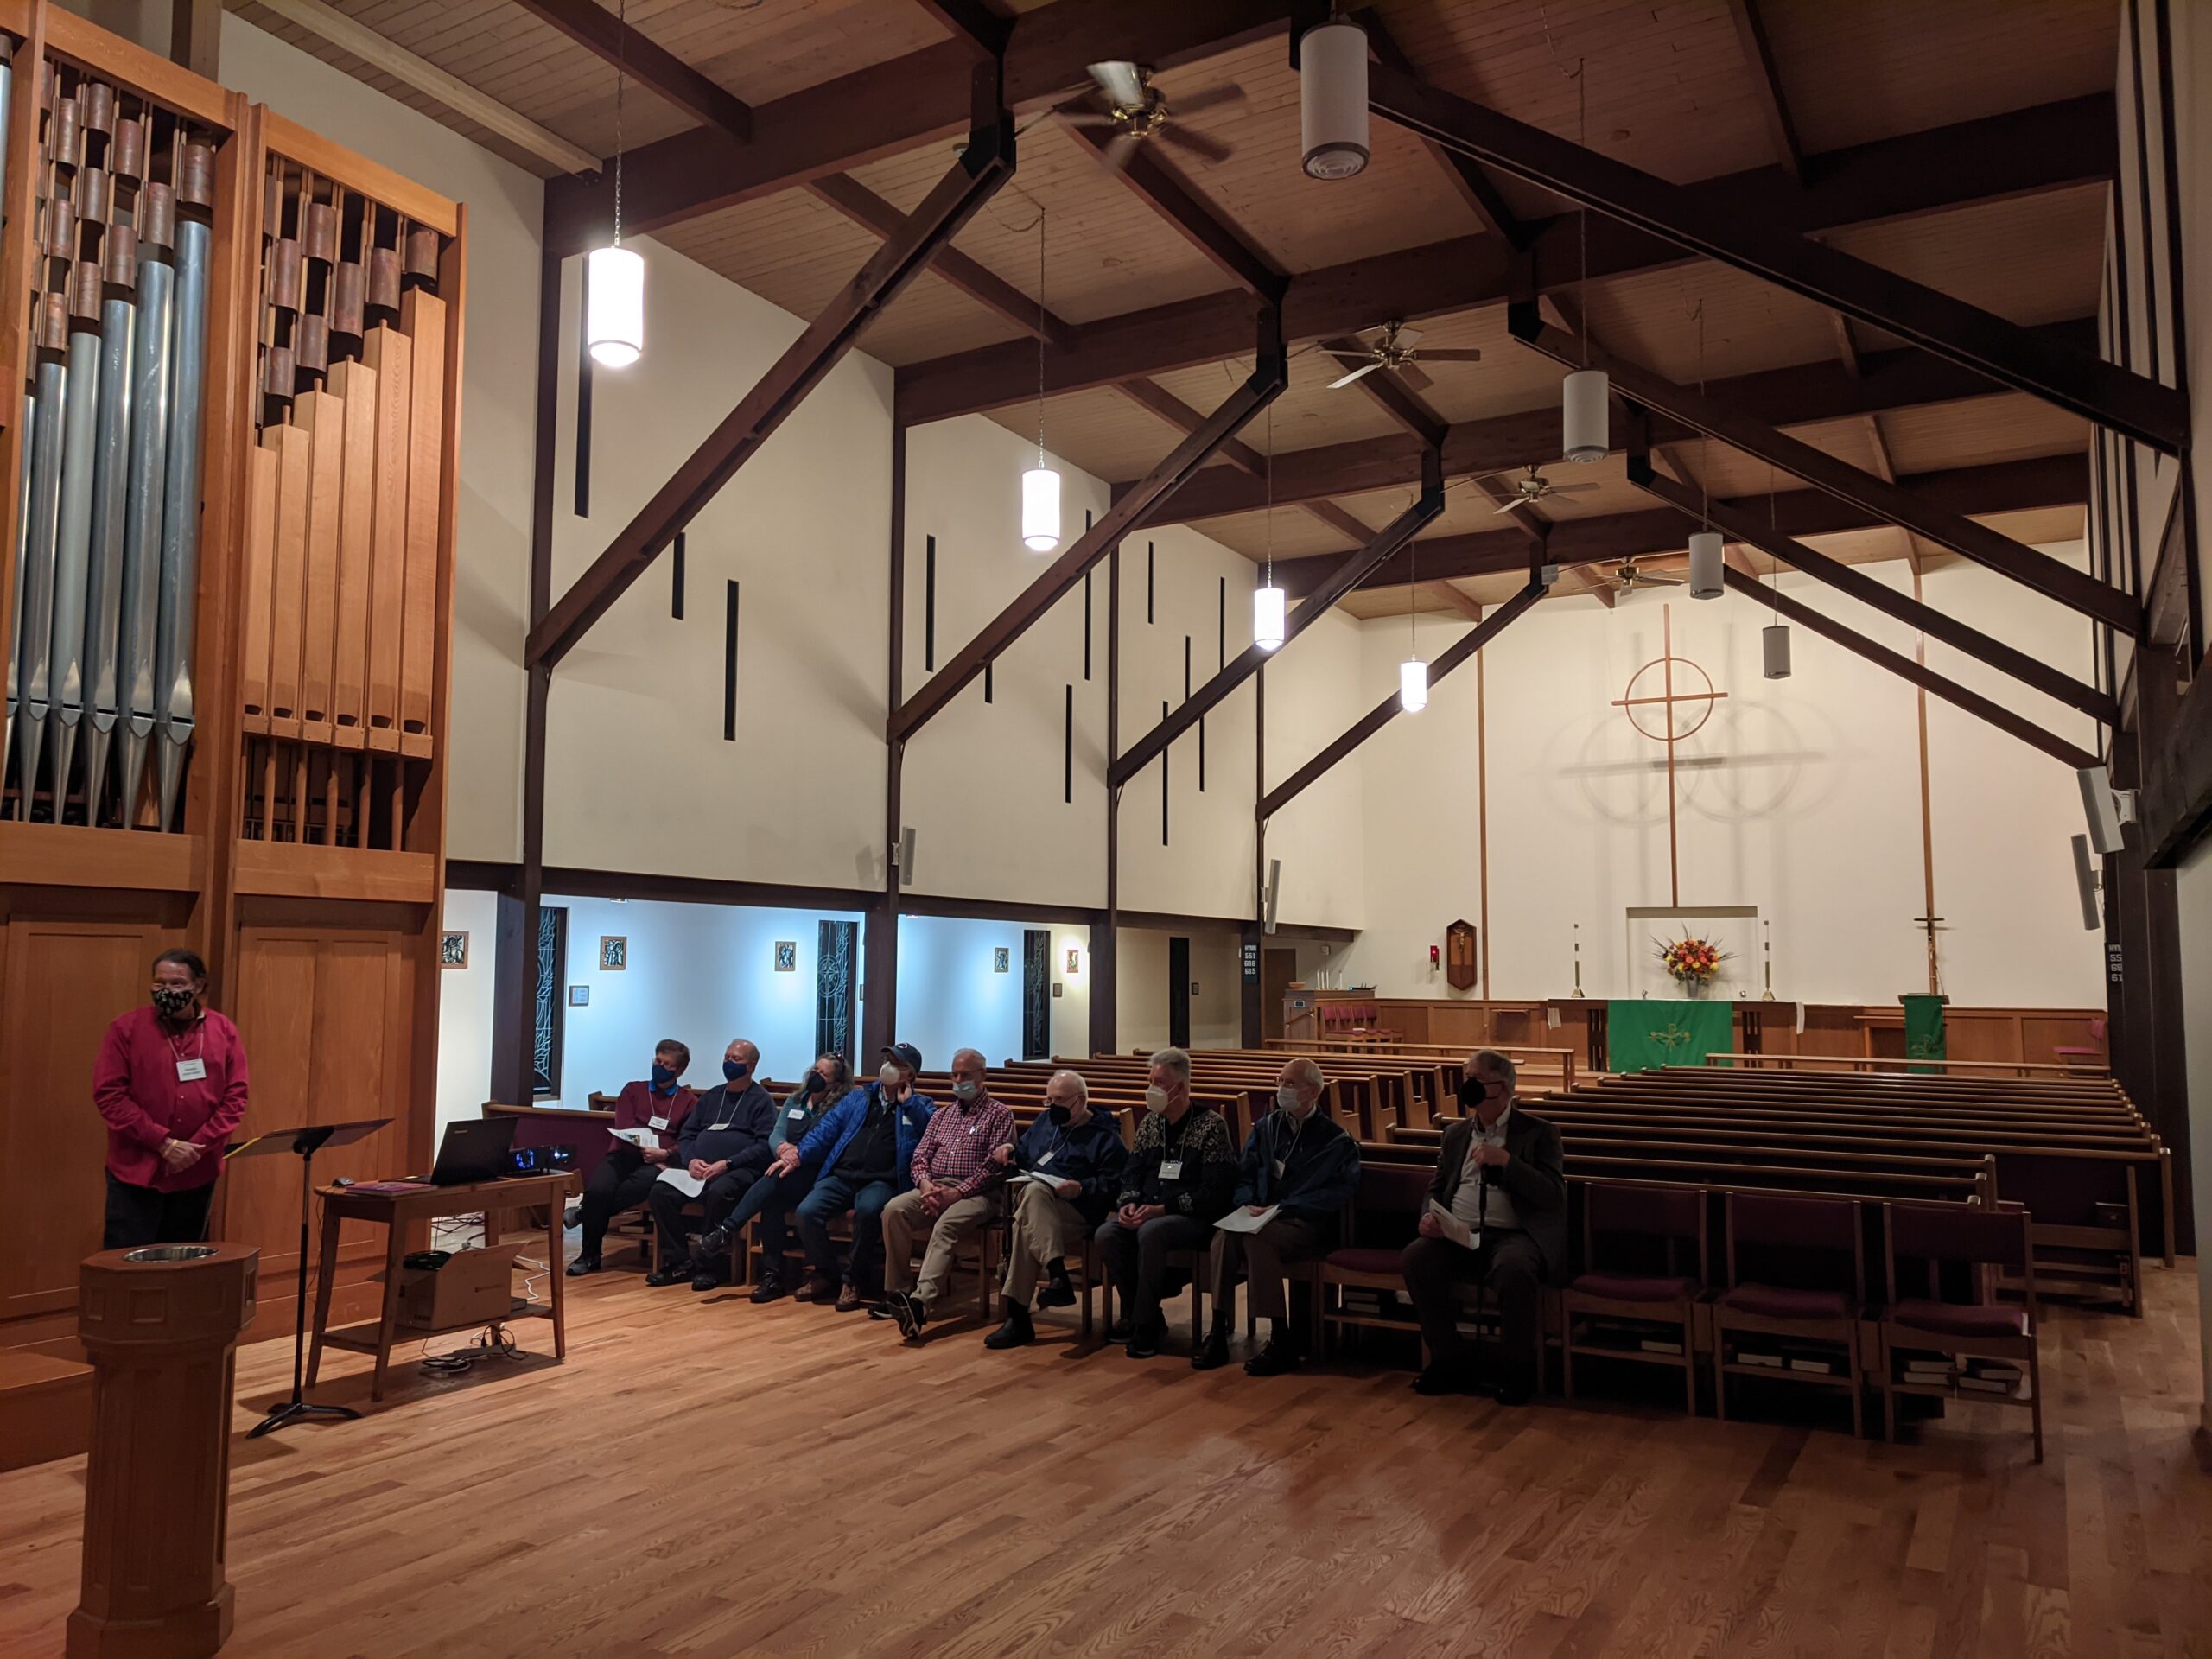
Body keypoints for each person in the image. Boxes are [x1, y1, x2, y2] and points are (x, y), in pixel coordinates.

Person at [1399, 1049, 1567, 1404]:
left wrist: (1508, 1162)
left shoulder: (1539, 1133)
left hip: (1513, 1235)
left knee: (1514, 1270)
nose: (1468, 1087)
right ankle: (1449, 1360)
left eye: (1475, 1080)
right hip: (1458, 1230)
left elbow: (1552, 1195)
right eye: (1466, 1079)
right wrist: (1429, 1215)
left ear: (1501, 1088)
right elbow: (1437, 1185)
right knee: (1417, 1257)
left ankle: (1515, 1370)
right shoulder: (1455, 1134)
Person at [1195, 1056, 1362, 1376]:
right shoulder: (1267, 1127)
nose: (1281, 1088)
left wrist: (1282, 1209)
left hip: (1300, 1222)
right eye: (1279, 1081)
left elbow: (1336, 1192)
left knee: (1260, 1243)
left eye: (1289, 1083)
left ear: (1312, 1092)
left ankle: (1281, 1338)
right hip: (1258, 1216)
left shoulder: (1335, 1139)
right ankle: (1217, 1329)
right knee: (1223, 1237)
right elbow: (1244, 1173)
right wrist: (1246, 1203)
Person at [92, 950, 251, 1249]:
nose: (166, 991)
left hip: (197, 1171)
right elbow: (109, 1096)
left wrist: (195, 1148)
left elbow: (236, 1098)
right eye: (159, 983)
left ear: (199, 986)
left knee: (184, 1266)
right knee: (127, 1265)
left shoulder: (224, 1030)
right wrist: (163, 1144)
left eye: (177, 983)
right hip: (136, 1170)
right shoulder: (125, 1029)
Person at [1095, 1046, 1236, 1359]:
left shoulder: (1210, 1125)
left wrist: (1164, 1209)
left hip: (1192, 1216)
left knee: (1152, 1232)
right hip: (1149, 1210)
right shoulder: (1150, 1124)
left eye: (1159, 1083)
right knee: (1107, 1234)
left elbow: (1215, 1190)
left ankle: (1143, 1325)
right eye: (1150, 1081)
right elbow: (1132, 1172)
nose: (1152, 1090)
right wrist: (1129, 1203)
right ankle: (1142, 1314)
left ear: (1180, 1088)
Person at [775, 1042, 934, 1312]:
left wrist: (911, 1106)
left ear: (910, 1074)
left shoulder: (921, 1105)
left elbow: (933, 1133)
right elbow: (826, 1129)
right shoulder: (859, 1098)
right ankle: (826, 1272)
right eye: (888, 1060)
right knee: (807, 1211)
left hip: (882, 1180)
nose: (889, 1067)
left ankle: (854, 1279)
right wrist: (799, 1154)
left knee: (869, 1209)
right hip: (843, 1174)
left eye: (898, 1064)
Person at [690, 1052, 851, 1301]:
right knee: (772, 1204)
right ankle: (772, 1276)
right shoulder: (797, 1100)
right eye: (815, 1070)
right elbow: (776, 1132)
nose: (816, 1076)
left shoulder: (840, 1106)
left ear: (836, 1084)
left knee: (773, 1181)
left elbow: (826, 1141)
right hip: (785, 1166)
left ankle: (727, 1230)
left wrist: (796, 1156)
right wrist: (782, 1149)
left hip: (815, 1171)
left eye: (824, 1075)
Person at [983, 1070, 1128, 1351]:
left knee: (1025, 1217)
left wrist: (1082, 1187)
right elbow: (1024, 1152)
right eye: (1049, 1100)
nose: (1053, 1107)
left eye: (1059, 1100)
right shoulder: (1045, 1122)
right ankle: (1056, 1273)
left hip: (1078, 1210)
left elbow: (1114, 1185)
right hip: (1038, 1207)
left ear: (1081, 1100)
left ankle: (1019, 1318)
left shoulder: (1104, 1136)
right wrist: (1009, 1148)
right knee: (1031, 1204)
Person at [880, 1047, 1017, 1339]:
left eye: (964, 1075)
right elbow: (920, 1156)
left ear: (982, 1075)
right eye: (954, 1075)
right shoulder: (943, 1115)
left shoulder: (1000, 1114)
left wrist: (957, 1193)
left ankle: (919, 1304)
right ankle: (898, 1292)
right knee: (893, 1210)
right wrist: (926, 1186)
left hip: (979, 1195)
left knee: (946, 1224)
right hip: (936, 1187)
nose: (958, 1080)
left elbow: (995, 1168)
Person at [645, 1039, 777, 1288]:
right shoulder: (712, 1097)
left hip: (738, 1170)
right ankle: (681, 1262)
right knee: (661, 1192)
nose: (728, 1063)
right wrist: (691, 1159)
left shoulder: (761, 1100)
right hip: (698, 1169)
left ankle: (711, 1265)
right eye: (726, 1058)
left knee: (719, 1192)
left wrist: (727, 1163)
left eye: (735, 1060)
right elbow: (687, 1135)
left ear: (752, 1065)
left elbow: (763, 1146)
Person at [567, 1040, 697, 1276]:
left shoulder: (688, 1101)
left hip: (660, 1162)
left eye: (667, 1064)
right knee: (598, 1191)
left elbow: (687, 1138)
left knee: (635, 1187)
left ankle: (584, 1214)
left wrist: (665, 1154)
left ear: (679, 1071)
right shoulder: (633, 1090)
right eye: (657, 1061)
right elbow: (625, 1125)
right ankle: (590, 1255)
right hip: (623, 1154)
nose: (659, 1066)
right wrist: (646, 1149)